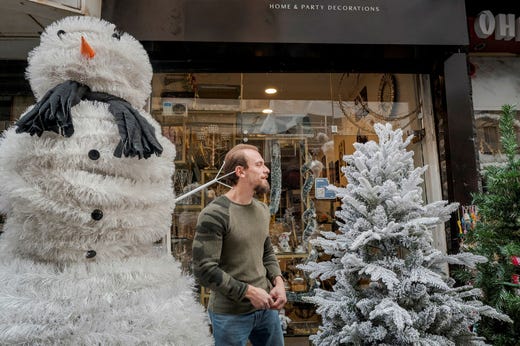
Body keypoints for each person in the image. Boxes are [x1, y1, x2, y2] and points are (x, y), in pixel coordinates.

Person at [192, 144, 287, 346]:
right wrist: (249, 292)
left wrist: (278, 282)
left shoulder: (262, 209)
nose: (266, 169)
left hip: (266, 310)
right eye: (259, 164)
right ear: (240, 171)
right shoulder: (215, 213)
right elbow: (204, 270)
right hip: (230, 315)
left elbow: (266, 251)